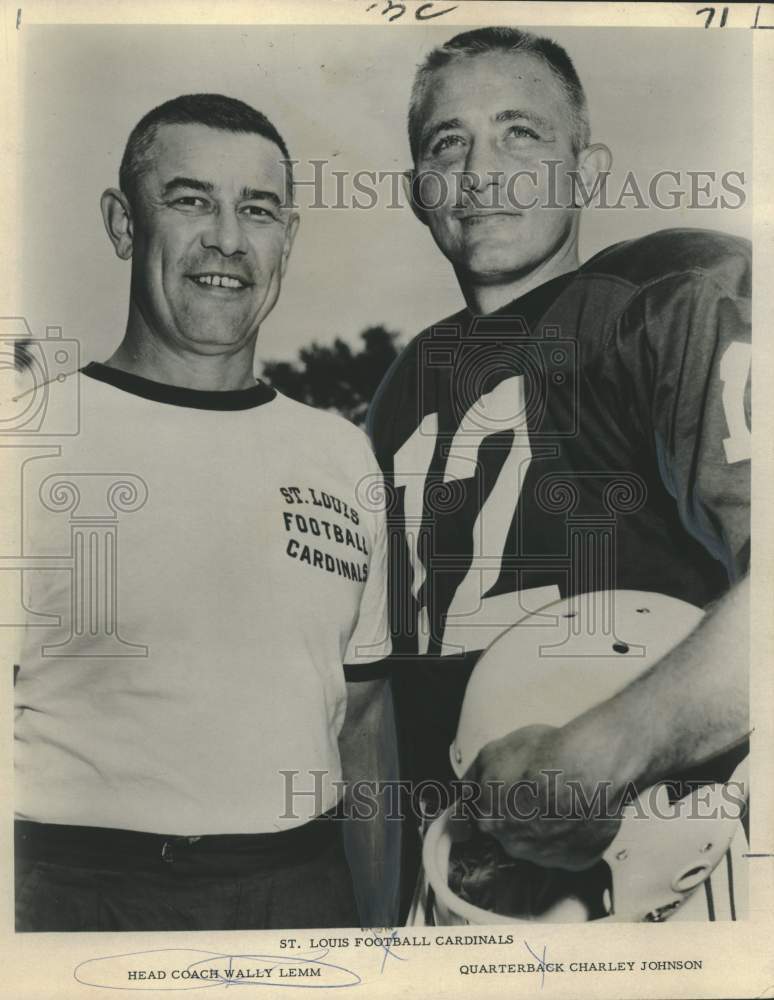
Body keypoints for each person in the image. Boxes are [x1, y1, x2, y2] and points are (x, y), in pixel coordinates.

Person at [366, 28, 751, 919]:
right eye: (446, 143)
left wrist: (605, 752)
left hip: (671, 867)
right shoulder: (403, 388)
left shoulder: (669, 299)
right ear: (419, 189)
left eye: (520, 133)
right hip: (464, 885)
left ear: (589, 165)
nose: (479, 170)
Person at [13, 93, 394, 931]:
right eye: (190, 201)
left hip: (303, 891)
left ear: (285, 240)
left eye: (256, 210)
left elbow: (362, 722)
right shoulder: (28, 442)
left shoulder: (341, 456)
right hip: (79, 896)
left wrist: (376, 936)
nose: (227, 239)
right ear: (123, 224)